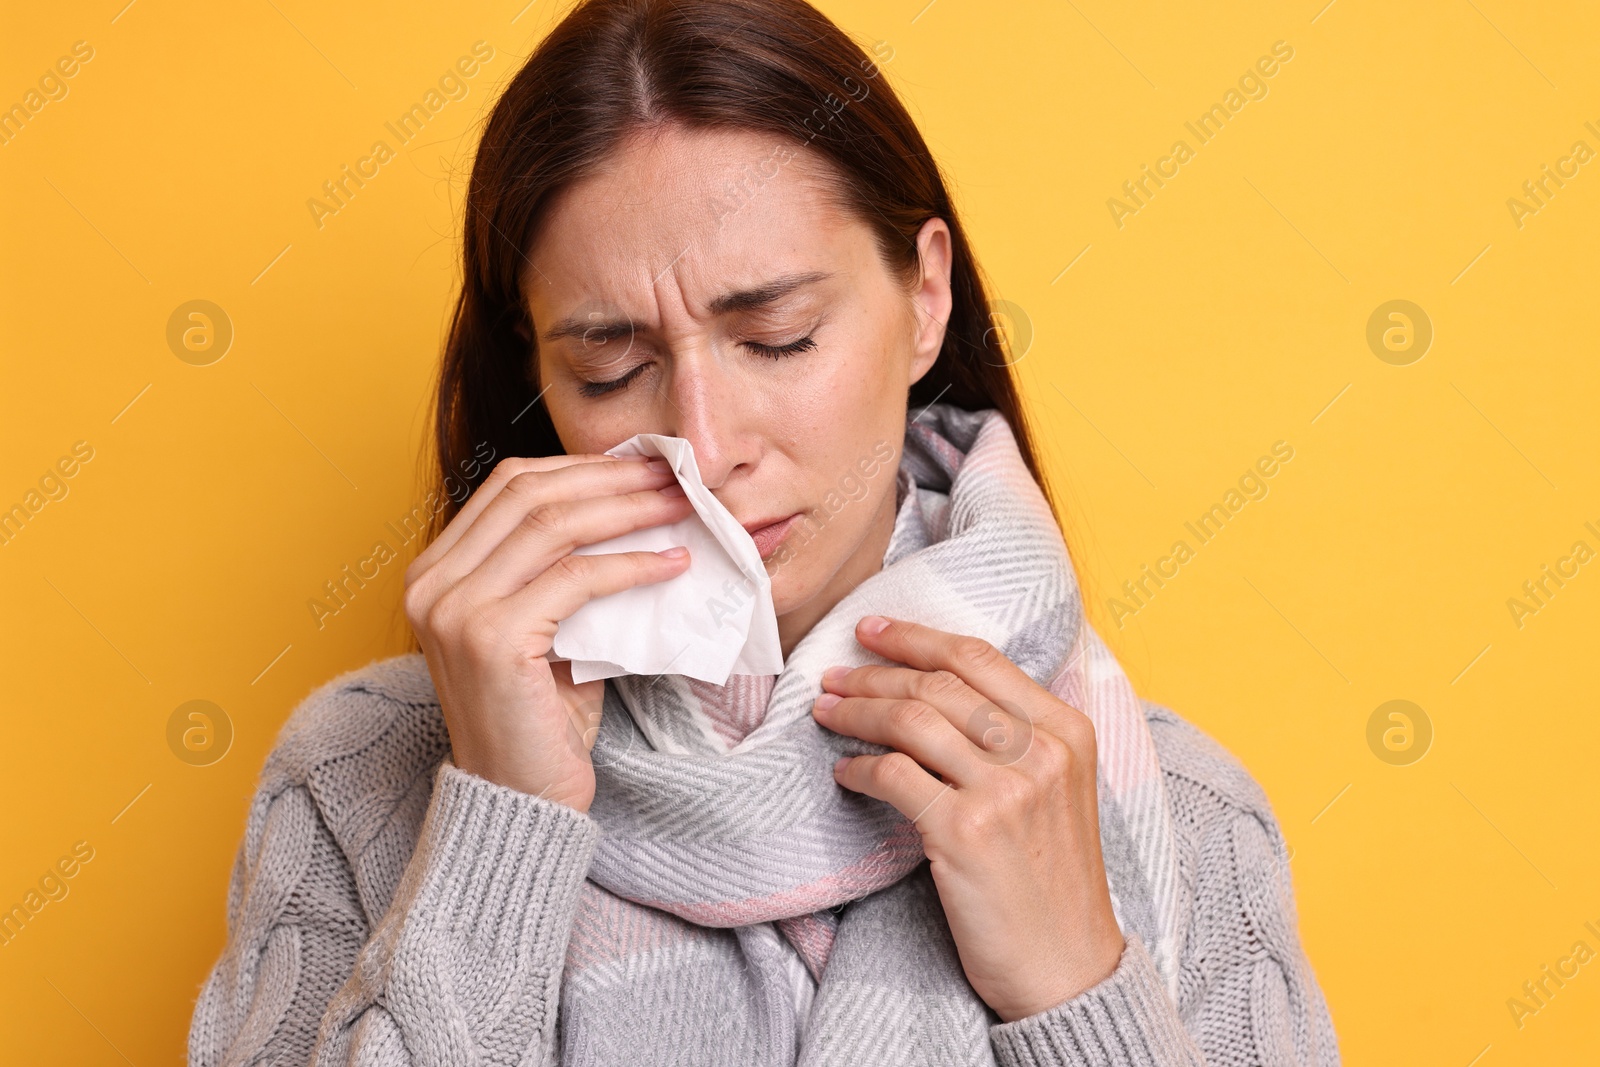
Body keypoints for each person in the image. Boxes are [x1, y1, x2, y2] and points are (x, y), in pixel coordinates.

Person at [187, 1, 1340, 1063]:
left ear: (924, 299)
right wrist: (501, 821)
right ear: (536, 376)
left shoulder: (1183, 811)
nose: (704, 441)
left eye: (779, 336)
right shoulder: (361, 772)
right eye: (611, 366)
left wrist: (1078, 989)